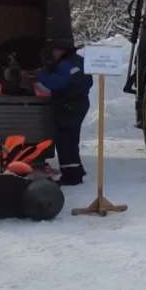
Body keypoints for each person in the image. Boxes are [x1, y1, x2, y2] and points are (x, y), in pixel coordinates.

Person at [37, 38, 93, 185]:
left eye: (54, 51)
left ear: (61, 51)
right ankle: (77, 170)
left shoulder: (65, 65)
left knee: (65, 141)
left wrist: (41, 75)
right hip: (79, 103)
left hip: (69, 106)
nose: (53, 54)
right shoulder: (79, 60)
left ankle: (71, 177)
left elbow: (55, 83)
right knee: (72, 138)